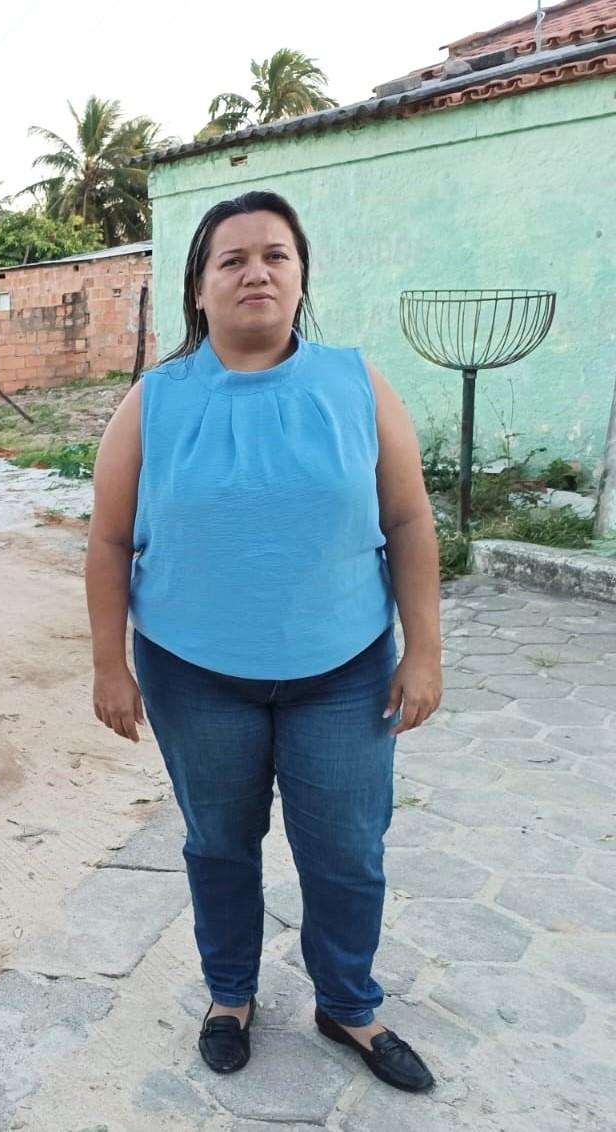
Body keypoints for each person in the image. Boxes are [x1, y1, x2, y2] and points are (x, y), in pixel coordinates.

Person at [85, 191, 442, 1093]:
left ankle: (348, 1004)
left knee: (348, 850)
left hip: (344, 670)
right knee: (218, 844)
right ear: (199, 288)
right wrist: (108, 665)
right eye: (232, 259)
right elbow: (109, 539)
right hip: (194, 674)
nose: (257, 272)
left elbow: (407, 518)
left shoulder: (356, 385)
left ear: (301, 277)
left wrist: (425, 651)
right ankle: (230, 997)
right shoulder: (154, 402)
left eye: (276, 255)